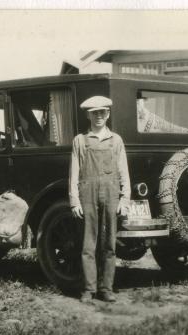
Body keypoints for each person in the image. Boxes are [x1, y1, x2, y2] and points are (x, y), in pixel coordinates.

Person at [69, 95, 132, 303]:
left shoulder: (116, 140)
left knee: (109, 244)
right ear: (88, 115)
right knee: (88, 244)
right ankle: (88, 289)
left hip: (111, 193)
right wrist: (75, 201)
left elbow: (124, 171)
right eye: (95, 113)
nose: (99, 116)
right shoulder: (80, 141)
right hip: (87, 193)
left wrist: (125, 199)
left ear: (108, 114)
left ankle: (106, 288)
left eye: (102, 112)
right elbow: (74, 172)